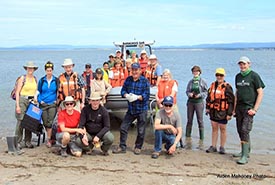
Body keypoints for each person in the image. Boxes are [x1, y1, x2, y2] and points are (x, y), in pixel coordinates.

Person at [112, 63, 150, 155]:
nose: (134, 72)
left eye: (136, 70)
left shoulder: (144, 81)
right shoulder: (128, 80)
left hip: (141, 109)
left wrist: (137, 97)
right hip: (131, 109)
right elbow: (123, 91)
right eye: (133, 70)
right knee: (123, 127)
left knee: (141, 130)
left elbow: (146, 95)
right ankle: (122, 146)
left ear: (140, 71)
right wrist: (126, 95)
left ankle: (138, 147)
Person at [233, 56, 265, 165]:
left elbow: (260, 93)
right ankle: (245, 150)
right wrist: (234, 109)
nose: (242, 66)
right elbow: (236, 93)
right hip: (239, 108)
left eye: (244, 64)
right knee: (239, 130)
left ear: (249, 64)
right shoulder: (237, 76)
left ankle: (244, 156)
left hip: (249, 108)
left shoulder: (254, 76)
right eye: (240, 64)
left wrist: (255, 109)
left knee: (245, 130)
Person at [205, 68, 235, 154]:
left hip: (223, 112)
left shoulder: (227, 87)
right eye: (217, 75)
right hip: (213, 111)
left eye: (221, 75)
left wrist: (229, 114)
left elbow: (231, 101)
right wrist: (207, 107)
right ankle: (213, 146)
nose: (219, 77)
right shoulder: (212, 85)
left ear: (224, 76)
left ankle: (222, 147)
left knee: (223, 129)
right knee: (214, 128)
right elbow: (209, 98)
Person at [15, 61, 38, 149]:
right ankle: (18, 141)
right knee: (20, 121)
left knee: (30, 121)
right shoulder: (22, 78)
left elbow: (35, 91)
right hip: (22, 100)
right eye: (29, 68)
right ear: (26, 69)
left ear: (34, 69)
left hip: (32, 101)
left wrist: (36, 99)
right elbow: (17, 92)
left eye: (32, 68)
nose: (30, 70)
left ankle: (28, 141)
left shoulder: (35, 79)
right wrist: (17, 105)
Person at [184, 65, 208, 150]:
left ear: (199, 72)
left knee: (200, 120)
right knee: (189, 120)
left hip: (199, 102)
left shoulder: (203, 81)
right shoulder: (190, 81)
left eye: (197, 72)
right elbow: (187, 91)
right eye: (194, 72)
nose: (195, 73)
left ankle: (201, 140)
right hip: (190, 102)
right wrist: (189, 94)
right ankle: (187, 137)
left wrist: (200, 95)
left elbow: (206, 91)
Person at [37, 61, 59, 148]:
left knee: (50, 122)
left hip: (52, 104)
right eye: (47, 70)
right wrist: (39, 100)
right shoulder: (42, 80)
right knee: (45, 122)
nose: (49, 72)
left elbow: (58, 91)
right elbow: (38, 91)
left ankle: (49, 139)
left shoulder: (56, 80)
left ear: (52, 71)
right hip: (43, 104)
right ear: (45, 71)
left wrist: (57, 100)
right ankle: (50, 137)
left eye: (50, 70)